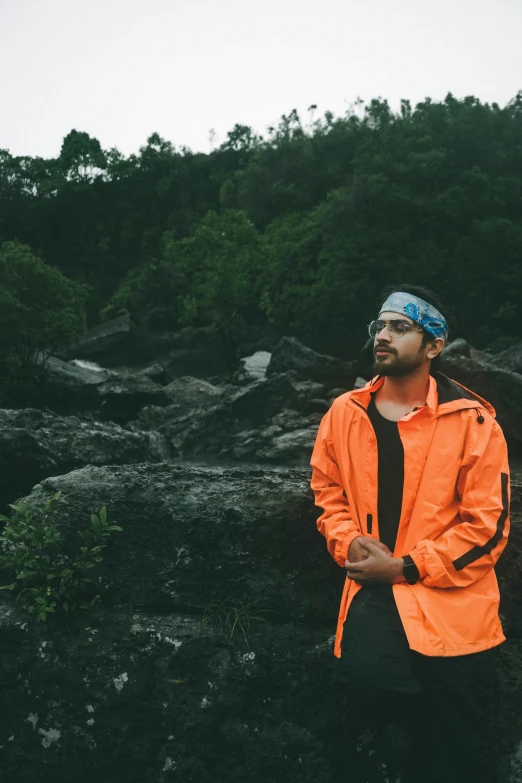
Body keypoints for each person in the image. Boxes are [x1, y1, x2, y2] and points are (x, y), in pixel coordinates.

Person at [310, 284, 510, 783]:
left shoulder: (475, 422)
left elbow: (488, 527)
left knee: (458, 748)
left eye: (401, 327)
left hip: (455, 599)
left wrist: (405, 566)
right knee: (374, 684)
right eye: (380, 325)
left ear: (434, 345)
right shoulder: (343, 413)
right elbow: (327, 490)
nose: (383, 335)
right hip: (374, 588)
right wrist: (347, 539)